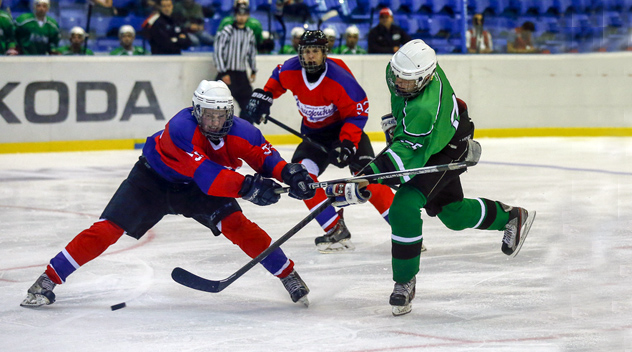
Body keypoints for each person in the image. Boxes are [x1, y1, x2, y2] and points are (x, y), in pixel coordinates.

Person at [20, 80, 318, 308]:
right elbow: (209, 179)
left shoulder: (243, 132)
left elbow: (266, 159)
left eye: (221, 115)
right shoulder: (181, 128)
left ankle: (288, 274)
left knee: (238, 226)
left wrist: (288, 173)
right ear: (196, 111)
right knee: (107, 230)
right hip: (152, 181)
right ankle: (48, 279)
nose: (215, 122)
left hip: (193, 188)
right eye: (209, 116)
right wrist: (248, 188)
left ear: (230, 113)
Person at [362, 39, 535, 316]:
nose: (399, 84)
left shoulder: (425, 108)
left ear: (427, 77)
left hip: (446, 149)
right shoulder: (399, 70)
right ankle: (511, 216)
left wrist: (366, 179)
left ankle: (404, 281)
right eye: (397, 77)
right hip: (431, 136)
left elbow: (404, 157)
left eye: (407, 81)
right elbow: (406, 130)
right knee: (453, 214)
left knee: (404, 206)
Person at [242, 30, 399, 254]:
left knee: (369, 179)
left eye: (315, 51)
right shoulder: (290, 69)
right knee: (302, 179)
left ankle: (404, 229)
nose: (311, 56)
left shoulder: (340, 78)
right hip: (314, 137)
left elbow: (357, 113)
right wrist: (265, 98)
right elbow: (277, 79)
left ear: (324, 52)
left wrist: (347, 143)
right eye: (306, 51)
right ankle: (335, 228)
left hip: (344, 132)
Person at [213, 2, 257, 119]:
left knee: (249, 106)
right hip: (228, 73)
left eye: (244, 14)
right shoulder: (227, 31)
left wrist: (253, 70)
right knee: (217, 105)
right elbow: (218, 52)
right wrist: (223, 72)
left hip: (241, 74)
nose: (241, 17)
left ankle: (244, 131)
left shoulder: (249, 33)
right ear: (235, 15)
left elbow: (251, 53)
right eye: (239, 14)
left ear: (247, 16)